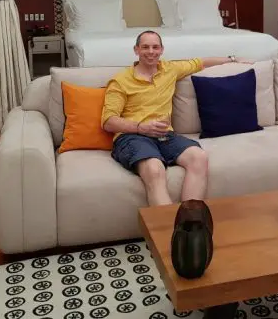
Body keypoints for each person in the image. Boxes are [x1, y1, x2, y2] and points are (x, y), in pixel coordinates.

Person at [101, 30, 248, 206]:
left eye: (155, 47)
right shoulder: (120, 80)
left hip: (165, 136)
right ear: (136, 50)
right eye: (145, 47)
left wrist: (232, 59)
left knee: (198, 157)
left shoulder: (169, 69)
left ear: (162, 50)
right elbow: (108, 121)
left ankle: (189, 223)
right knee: (155, 169)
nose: (151, 51)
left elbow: (200, 63)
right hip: (131, 137)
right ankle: (168, 231)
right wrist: (141, 127)